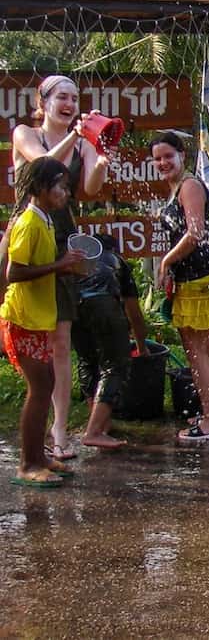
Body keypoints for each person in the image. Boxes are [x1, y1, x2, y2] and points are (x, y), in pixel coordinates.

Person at [3, 75, 111, 460]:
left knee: (61, 344)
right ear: (43, 102)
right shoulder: (24, 134)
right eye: (62, 97)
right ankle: (35, 434)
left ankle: (61, 431)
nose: (69, 103)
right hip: (27, 240)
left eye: (74, 98)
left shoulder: (80, 141)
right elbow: (44, 166)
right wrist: (77, 136)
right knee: (24, 336)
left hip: (64, 242)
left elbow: (89, 191)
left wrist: (99, 159)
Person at [2, 157, 86, 487]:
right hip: (21, 319)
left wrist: (65, 266)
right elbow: (14, 271)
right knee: (39, 389)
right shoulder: (28, 223)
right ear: (40, 188)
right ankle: (27, 463)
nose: (65, 193)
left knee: (46, 384)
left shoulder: (47, 219)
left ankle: (39, 456)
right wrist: (59, 265)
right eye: (60, 187)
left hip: (38, 319)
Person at [151, 132, 209, 441]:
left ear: (182, 154)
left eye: (168, 156)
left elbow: (195, 233)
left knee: (196, 349)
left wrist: (166, 262)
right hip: (195, 276)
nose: (163, 163)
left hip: (196, 277)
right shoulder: (176, 188)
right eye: (157, 158)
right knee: (205, 347)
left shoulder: (190, 186)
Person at [71, 234, 148, 449]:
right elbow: (135, 314)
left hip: (73, 306)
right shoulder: (117, 261)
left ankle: (99, 422)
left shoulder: (80, 259)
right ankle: (94, 431)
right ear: (114, 249)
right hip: (103, 304)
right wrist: (142, 347)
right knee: (116, 364)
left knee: (87, 360)